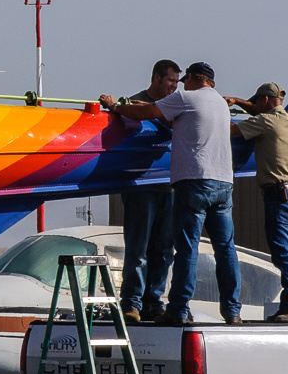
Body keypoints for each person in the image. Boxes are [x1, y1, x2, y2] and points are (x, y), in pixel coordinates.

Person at [100, 61, 240, 325]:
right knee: (225, 249)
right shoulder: (220, 103)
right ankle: (232, 311)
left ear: (195, 79)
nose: (178, 85)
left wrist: (115, 107)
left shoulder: (184, 98)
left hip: (192, 183)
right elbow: (164, 116)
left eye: (182, 80)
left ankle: (172, 308)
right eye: (173, 81)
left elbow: (153, 113)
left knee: (183, 250)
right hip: (222, 183)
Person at [228, 82, 288, 322]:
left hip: (279, 196)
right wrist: (239, 102)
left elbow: (233, 130)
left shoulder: (265, 122)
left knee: (282, 253)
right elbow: (260, 110)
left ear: (263, 101)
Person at [112, 60, 181, 325]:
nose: (174, 87)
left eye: (176, 83)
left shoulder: (175, 106)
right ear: (156, 78)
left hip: (169, 187)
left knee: (164, 250)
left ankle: (154, 303)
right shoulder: (134, 103)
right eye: (170, 81)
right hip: (141, 187)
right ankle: (131, 303)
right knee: (138, 248)